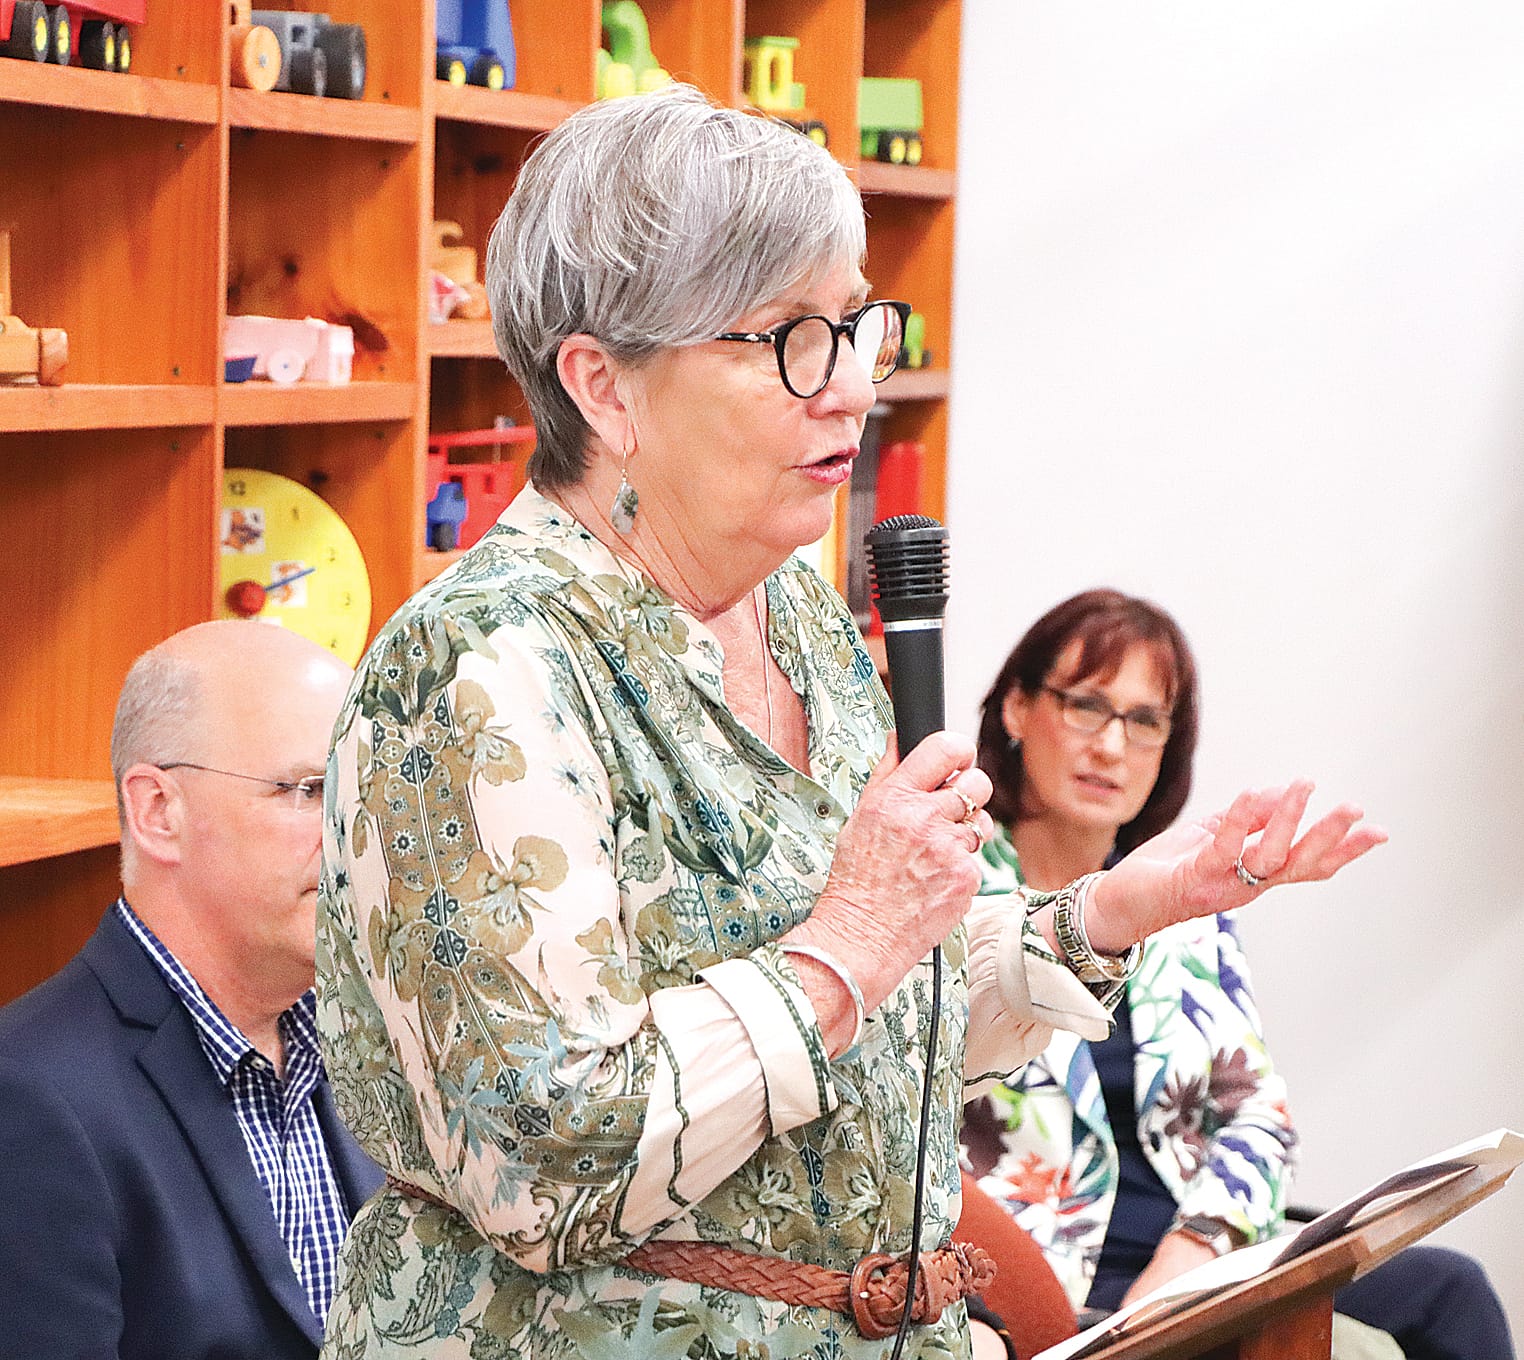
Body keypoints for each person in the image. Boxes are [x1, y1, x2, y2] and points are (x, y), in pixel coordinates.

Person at [315, 86, 1383, 1360]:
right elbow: (547, 1164)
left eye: (855, 323)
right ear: (604, 388)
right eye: (785, 339)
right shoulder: (476, 666)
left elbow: (881, 1038)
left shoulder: (808, 621)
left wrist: (1107, 913)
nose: (852, 389)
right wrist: (851, 941)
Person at [961, 588, 1514, 1360]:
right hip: (1036, 1273)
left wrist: (1193, 1251)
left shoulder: (1184, 909)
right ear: (1017, 710)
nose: (1112, 746)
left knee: (1449, 1289)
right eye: (1086, 705)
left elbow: (1258, 1118)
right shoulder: (953, 885)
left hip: (1198, 1264)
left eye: (1145, 719)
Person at [0, 621, 385, 1360]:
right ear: (158, 813)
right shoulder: (28, 1100)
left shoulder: (367, 1037)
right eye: (308, 789)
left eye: (361, 790)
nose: (353, 832)